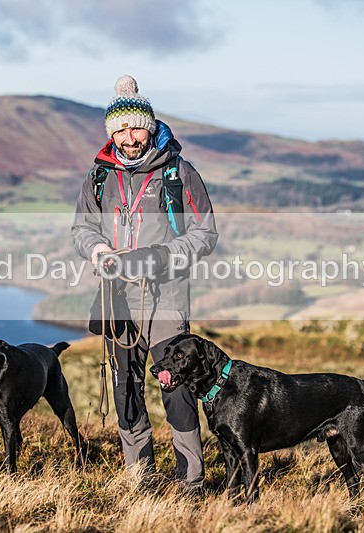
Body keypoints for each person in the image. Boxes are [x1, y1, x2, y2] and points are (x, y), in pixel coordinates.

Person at [71, 75, 218, 491]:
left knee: (175, 389)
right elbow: (81, 229)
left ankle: (190, 481)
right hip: (116, 296)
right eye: (119, 129)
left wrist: (162, 256)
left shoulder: (179, 173)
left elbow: (205, 234)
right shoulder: (98, 177)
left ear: (150, 126)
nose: (129, 137)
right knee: (125, 388)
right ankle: (141, 479)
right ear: (110, 131)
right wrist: (98, 252)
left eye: (136, 127)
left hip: (166, 297)